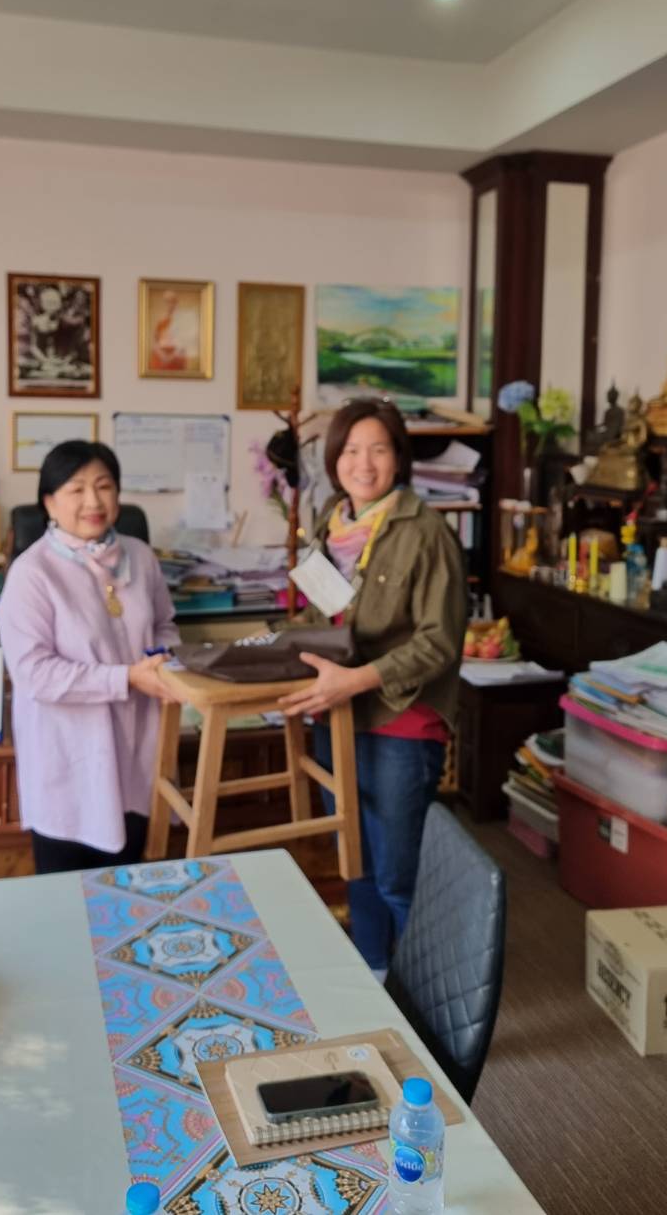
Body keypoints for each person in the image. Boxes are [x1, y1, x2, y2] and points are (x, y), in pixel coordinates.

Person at [279, 399, 467, 974]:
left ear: (399, 457)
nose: (364, 464)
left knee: (397, 872)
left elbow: (440, 642)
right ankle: (372, 973)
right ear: (334, 458)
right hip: (337, 713)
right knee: (354, 859)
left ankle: (429, 994)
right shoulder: (330, 522)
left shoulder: (426, 531)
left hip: (400, 717)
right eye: (352, 450)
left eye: (378, 450)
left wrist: (355, 679)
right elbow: (323, 614)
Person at [0, 440, 182, 874]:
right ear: (49, 502)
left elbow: (165, 625)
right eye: (76, 489)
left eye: (104, 486)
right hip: (70, 757)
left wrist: (162, 661)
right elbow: (34, 674)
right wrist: (126, 678)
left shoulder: (140, 556)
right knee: (68, 898)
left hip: (139, 749)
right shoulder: (32, 573)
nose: (93, 502)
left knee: (132, 886)